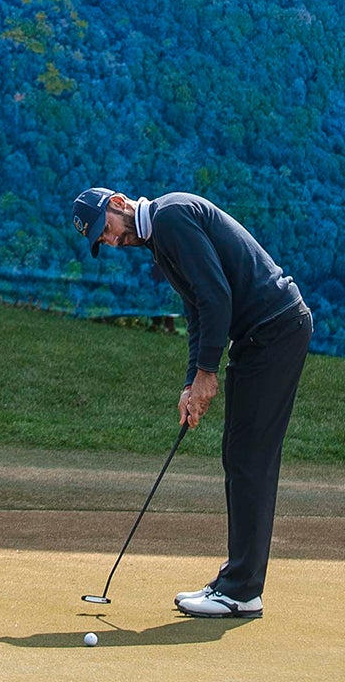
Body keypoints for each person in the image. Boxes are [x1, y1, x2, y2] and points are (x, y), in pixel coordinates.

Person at [70, 185, 313, 619]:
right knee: (240, 456)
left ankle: (241, 590)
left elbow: (217, 296)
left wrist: (207, 374)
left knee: (249, 459)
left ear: (120, 204)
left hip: (274, 331)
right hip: (261, 336)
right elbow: (199, 312)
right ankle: (237, 583)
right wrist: (191, 382)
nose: (109, 241)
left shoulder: (171, 217)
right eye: (100, 241)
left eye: (105, 230)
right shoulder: (161, 243)